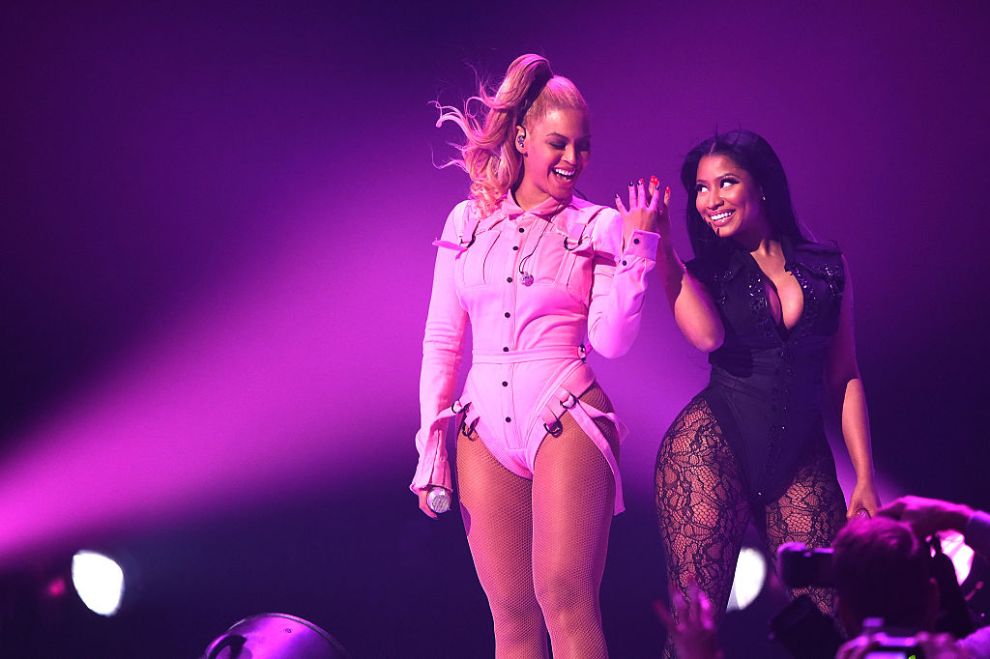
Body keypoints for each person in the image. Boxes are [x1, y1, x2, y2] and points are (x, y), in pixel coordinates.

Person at [411, 54, 664, 658]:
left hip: (565, 410)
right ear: (522, 138)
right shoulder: (467, 221)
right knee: (511, 618)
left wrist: (639, 250)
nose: (573, 158)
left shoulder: (599, 225)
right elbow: (442, 340)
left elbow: (611, 341)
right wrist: (431, 447)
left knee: (565, 598)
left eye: (583, 145)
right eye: (559, 143)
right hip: (480, 425)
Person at [652, 129, 880, 655]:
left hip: (801, 458)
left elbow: (845, 374)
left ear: (763, 185)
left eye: (726, 182)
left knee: (830, 622)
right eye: (701, 189)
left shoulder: (828, 266)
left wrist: (865, 475)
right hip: (708, 453)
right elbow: (706, 338)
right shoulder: (704, 275)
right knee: (694, 628)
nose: (710, 200)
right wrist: (662, 247)